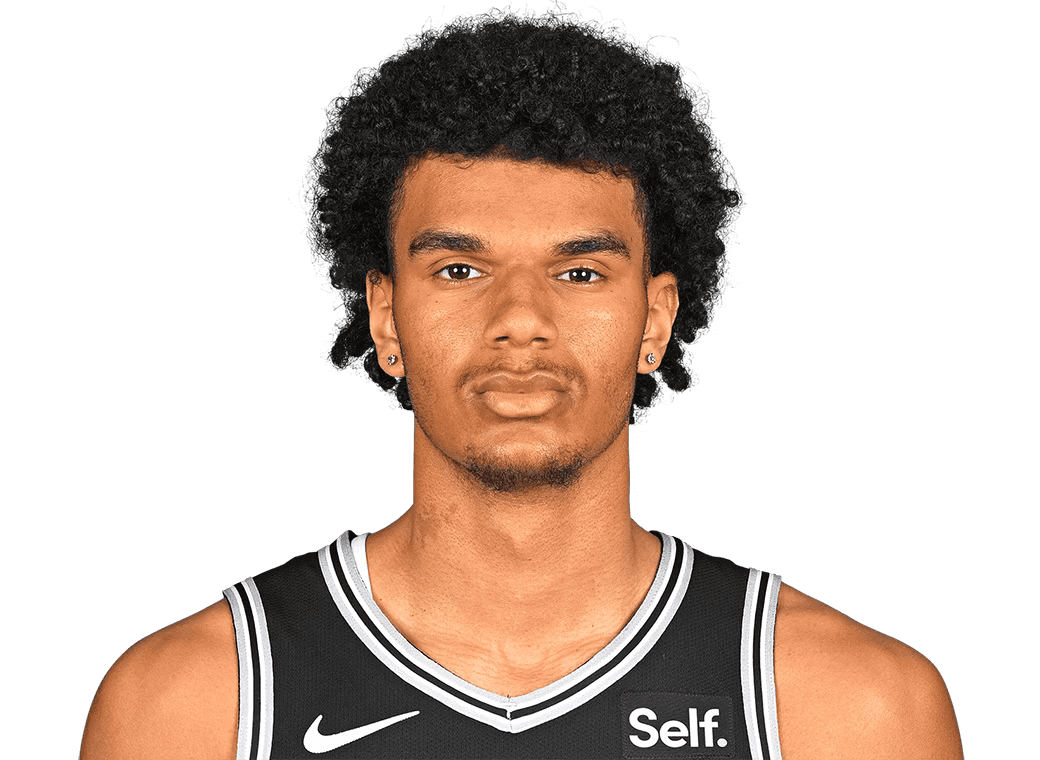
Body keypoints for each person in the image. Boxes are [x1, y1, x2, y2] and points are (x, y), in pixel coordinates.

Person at [80, 4, 962, 758]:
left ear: (656, 320)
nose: (520, 319)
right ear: (385, 318)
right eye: (459, 270)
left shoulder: (844, 710)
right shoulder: (200, 706)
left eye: (579, 272)